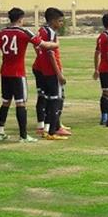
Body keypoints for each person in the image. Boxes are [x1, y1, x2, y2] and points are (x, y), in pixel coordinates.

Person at [0, 8, 59, 142]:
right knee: (20, 104)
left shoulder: (2, 33)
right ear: (21, 19)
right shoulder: (24, 32)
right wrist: (56, 44)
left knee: (5, 102)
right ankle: (23, 135)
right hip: (18, 74)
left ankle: (0, 131)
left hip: (5, 73)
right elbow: (43, 44)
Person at [33, 7, 70, 138]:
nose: (61, 24)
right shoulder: (51, 34)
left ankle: (45, 128)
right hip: (51, 71)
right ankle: (53, 130)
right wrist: (59, 74)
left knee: (45, 98)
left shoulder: (41, 31)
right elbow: (51, 54)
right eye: (59, 21)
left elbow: (36, 46)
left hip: (42, 70)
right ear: (53, 21)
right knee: (55, 100)